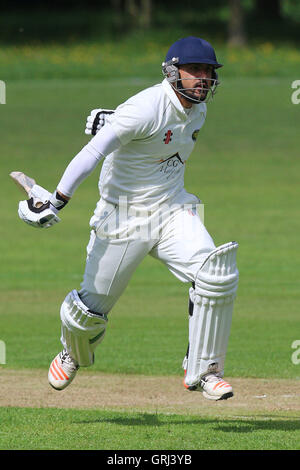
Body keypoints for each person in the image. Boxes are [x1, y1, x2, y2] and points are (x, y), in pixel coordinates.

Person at [18, 36, 239, 401]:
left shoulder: (197, 107)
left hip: (173, 209)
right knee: (88, 314)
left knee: (215, 275)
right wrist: (57, 201)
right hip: (123, 217)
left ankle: (205, 370)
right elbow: (93, 151)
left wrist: (112, 118)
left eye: (208, 72)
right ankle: (71, 351)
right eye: (195, 70)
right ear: (172, 72)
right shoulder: (146, 107)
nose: (203, 78)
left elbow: (155, 136)